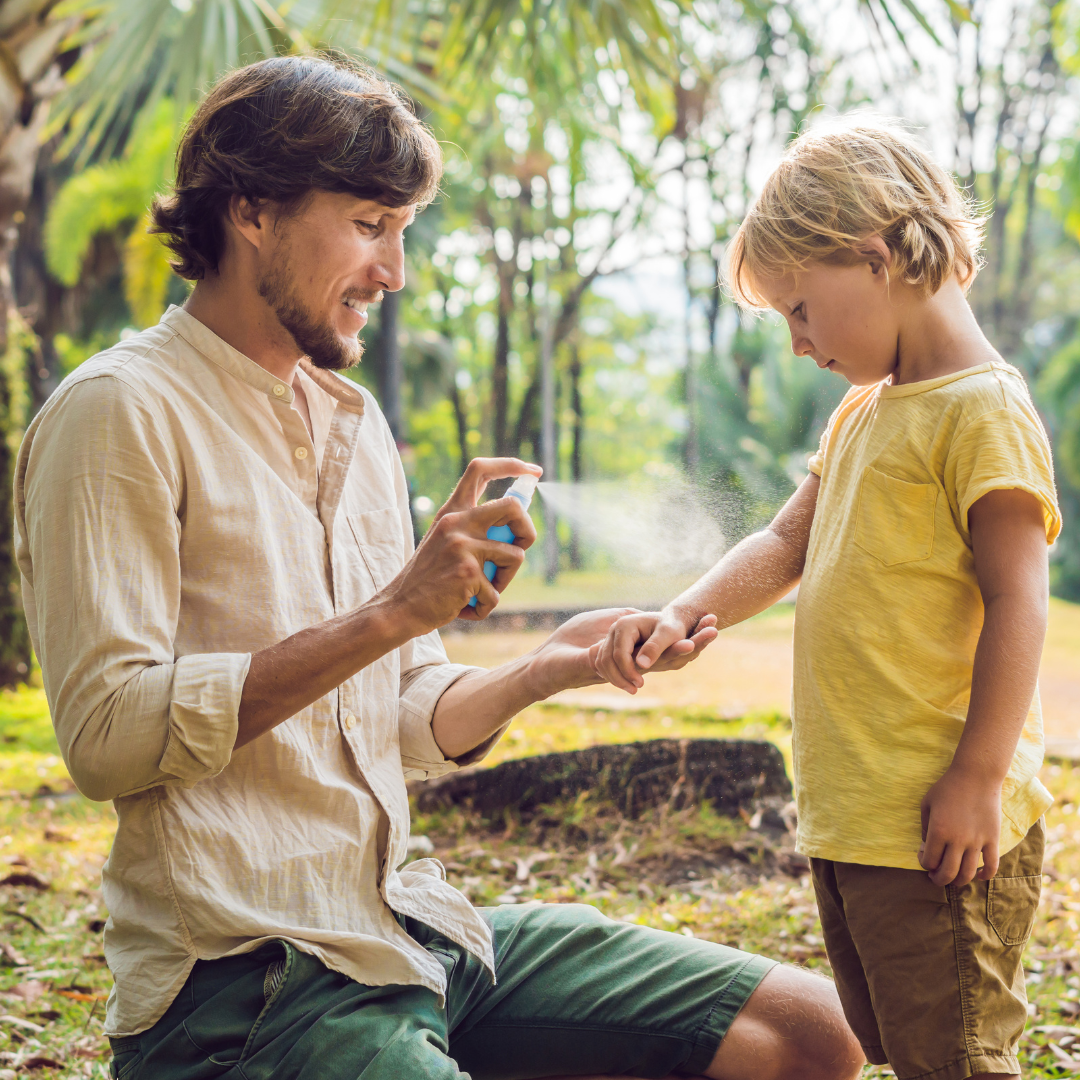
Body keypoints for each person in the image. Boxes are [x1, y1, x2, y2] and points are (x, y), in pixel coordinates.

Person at [15, 56, 863, 1080]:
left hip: (407, 927)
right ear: (250, 211)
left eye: (402, 232)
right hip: (242, 986)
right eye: (370, 225)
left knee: (810, 1036)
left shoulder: (355, 424)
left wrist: (549, 668)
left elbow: (401, 713)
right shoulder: (120, 411)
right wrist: (389, 613)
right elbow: (107, 738)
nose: (394, 271)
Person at [596, 116, 1062, 1080]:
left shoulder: (983, 410)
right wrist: (687, 611)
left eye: (801, 309)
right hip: (857, 818)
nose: (800, 344)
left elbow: (1021, 603)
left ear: (874, 255)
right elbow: (784, 541)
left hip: (940, 820)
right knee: (902, 1043)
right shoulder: (866, 410)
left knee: (960, 1056)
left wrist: (977, 778)